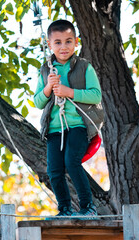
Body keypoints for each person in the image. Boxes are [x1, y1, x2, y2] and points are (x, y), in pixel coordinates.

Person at [34, 19, 104, 218]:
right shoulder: (46, 70)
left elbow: (95, 95)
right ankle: (64, 209)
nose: (63, 47)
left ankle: (88, 207)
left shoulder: (84, 67)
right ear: (49, 44)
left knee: (71, 162)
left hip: (77, 126)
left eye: (68, 41)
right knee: (54, 170)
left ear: (76, 42)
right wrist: (49, 87)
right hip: (55, 130)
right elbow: (38, 102)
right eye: (57, 42)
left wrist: (68, 91)